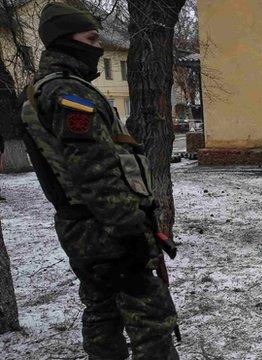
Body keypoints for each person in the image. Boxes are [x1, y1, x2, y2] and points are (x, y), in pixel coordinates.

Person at [20, 3, 179, 359]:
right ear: (65, 41)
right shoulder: (69, 96)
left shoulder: (44, 90)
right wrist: (130, 231)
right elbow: (96, 173)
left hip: (83, 225)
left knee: (102, 309)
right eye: (90, 39)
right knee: (149, 316)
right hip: (106, 229)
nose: (97, 47)